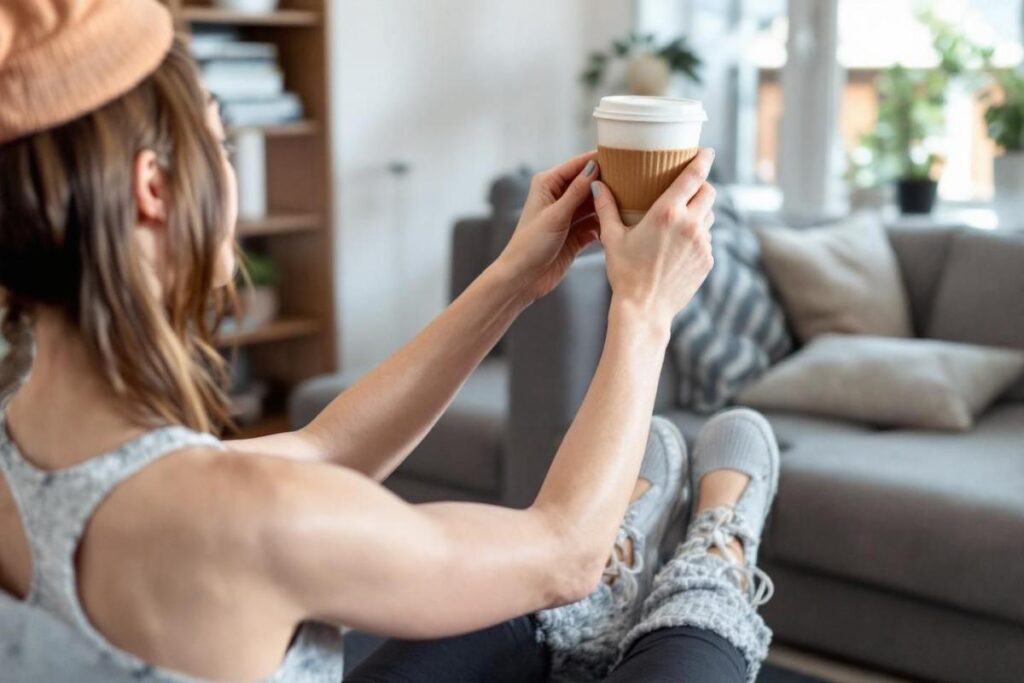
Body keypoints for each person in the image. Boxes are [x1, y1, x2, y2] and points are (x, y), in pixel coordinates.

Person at [0, 1, 778, 682]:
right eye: (222, 145)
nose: (226, 174)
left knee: (487, 613)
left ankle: (621, 588)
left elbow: (325, 450)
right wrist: (644, 306)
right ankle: (714, 573)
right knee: (636, 626)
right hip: (566, 558)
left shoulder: (33, 449)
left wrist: (513, 276)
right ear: (154, 188)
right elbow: (563, 552)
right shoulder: (239, 516)